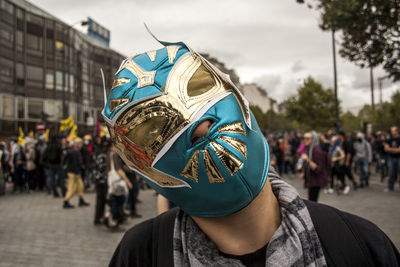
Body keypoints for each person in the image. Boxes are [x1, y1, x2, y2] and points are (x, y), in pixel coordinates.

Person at [104, 43, 399, 266]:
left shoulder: (359, 245)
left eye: (199, 88)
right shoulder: (139, 256)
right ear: (140, 168)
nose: (200, 125)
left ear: (236, 95)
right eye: (152, 129)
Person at [301, 131, 329, 201]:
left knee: (313, 201)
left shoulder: (316, 151)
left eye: (307, 138)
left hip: (316, 181)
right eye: (304, 138)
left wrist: (307, 159)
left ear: (313, 139)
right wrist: (304, 173)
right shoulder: (310, 149)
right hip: (312, 180)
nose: (305, 140)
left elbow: (318, 168)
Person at [63, 137, 90, 208]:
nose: (82, 145)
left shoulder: (74, 150)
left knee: (80, 186)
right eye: (81, 143)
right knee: (72, 188)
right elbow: (74, 163)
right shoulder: (75, 151)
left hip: (73, 172)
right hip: (73, 173)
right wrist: (77, 172)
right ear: (78, 144)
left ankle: (81, 200)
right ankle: (66, 201)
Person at [384, 126, 400, 192]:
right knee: (391, 173)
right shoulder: (389, 139)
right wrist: (394, 150)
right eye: (391, 131)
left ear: (397, 131)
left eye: (393, 131)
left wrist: (390, 149)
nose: (392, 132)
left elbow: (399, 150)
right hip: (391, 158)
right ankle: (390, 187)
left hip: (399, 158)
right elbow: (385, 149)